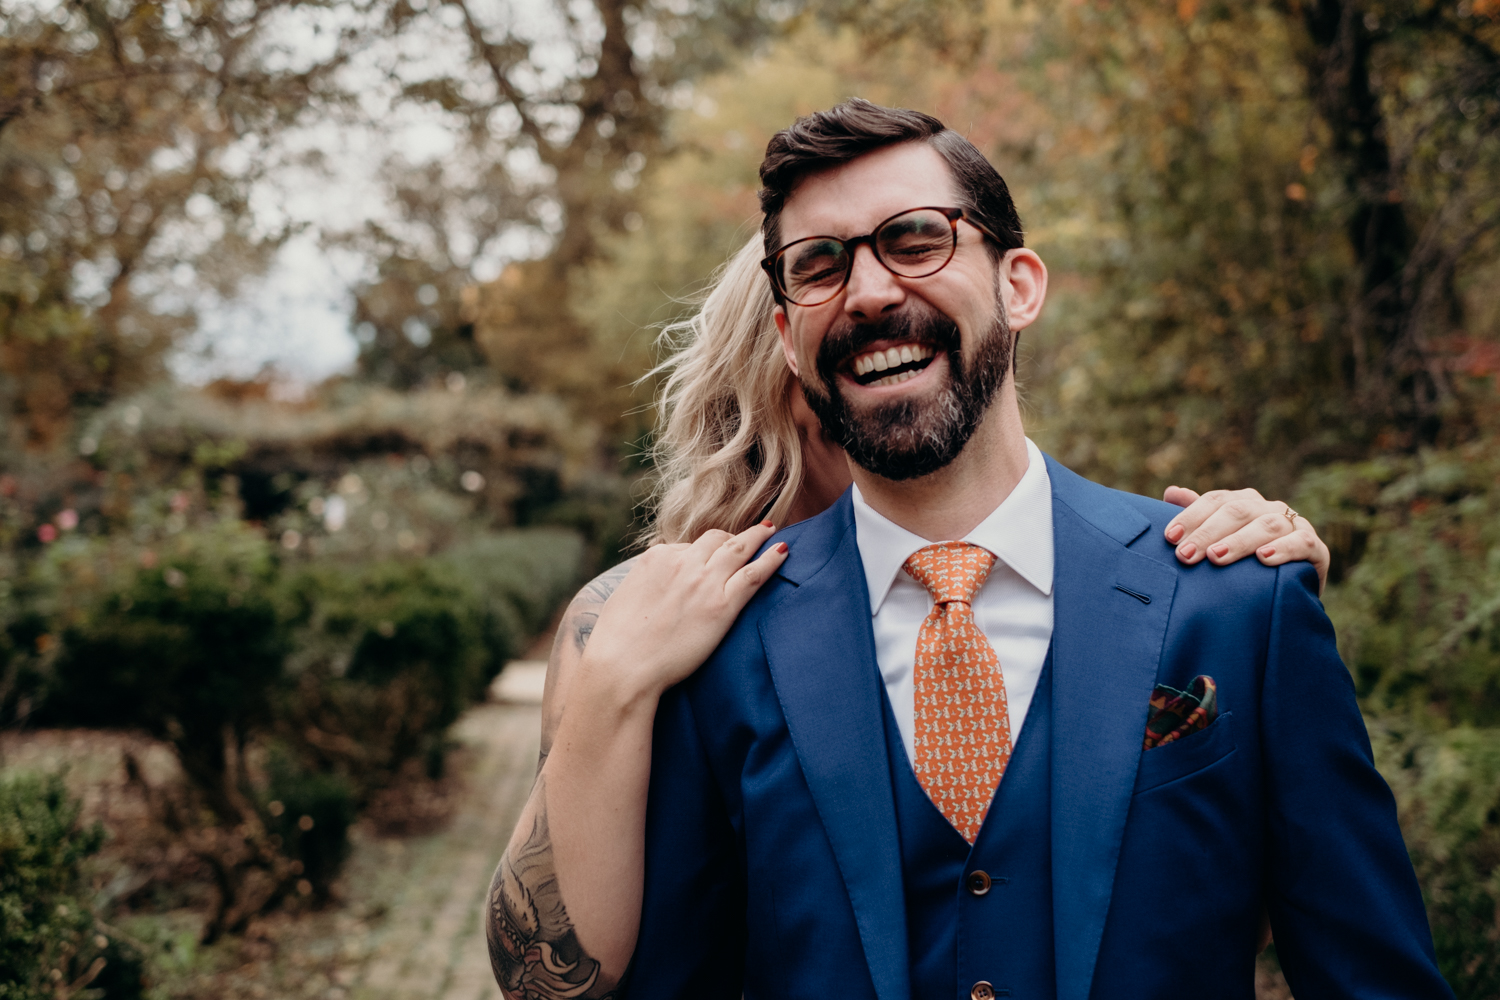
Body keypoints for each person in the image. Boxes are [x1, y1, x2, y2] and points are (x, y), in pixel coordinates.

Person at [484, 106, 1367, 999]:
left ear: (1019, 287)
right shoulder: (694, 647)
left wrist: (1268, 627)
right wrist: (615, 683)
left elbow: (1292, 925)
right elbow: (618, 978)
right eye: (820, 268)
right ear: (789, 349)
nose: (868, 296)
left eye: (915, 240)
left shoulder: (1228, 598)